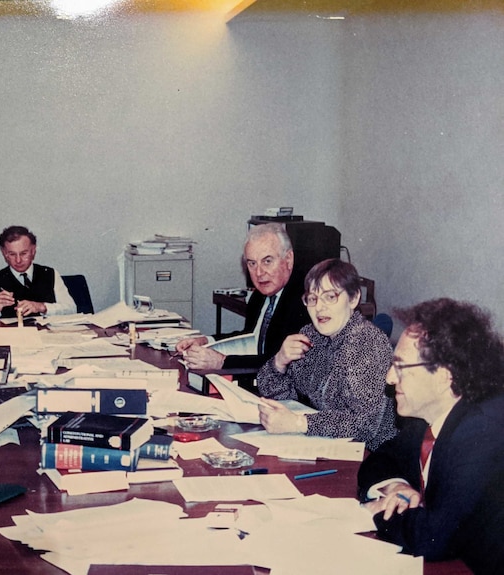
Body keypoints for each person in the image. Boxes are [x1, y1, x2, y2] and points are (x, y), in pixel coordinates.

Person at [357, 298, 504, 565]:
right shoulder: (426, 417)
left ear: (444, 377)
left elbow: (433, 537)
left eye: (400, 367)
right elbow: (380, 459)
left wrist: (379, 511)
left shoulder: (482, 433)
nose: (389, 378)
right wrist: (396, 486)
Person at [256, 259, 397, 450]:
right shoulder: (312, 335)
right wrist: (279, 362)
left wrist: (299, 423)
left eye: (330, 297)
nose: (319, 308)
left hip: (371, 454)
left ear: (354, 298)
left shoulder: (367, 343)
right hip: (325, 446)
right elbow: (285, 397)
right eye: (312, 299)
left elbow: (364, 424)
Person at [177, 222, 308, 372]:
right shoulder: (259, 295)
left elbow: (279, 359)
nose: (259, 273)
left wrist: (222, 362)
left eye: (267, 261)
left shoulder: (305, 301)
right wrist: (206, 340)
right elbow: (250, 339)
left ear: (289, 259)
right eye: (252, 263)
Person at [0, 225, 76, 320]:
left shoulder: (50, 274)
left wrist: (42, 307)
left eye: (23, 253)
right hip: (12, 338)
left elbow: (72, 309)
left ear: (33, 251)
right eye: (12, 254)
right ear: (4, 253)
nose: (18, 260)